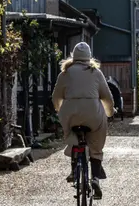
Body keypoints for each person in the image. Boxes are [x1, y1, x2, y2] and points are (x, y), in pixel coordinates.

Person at [52, 42, 115, 199]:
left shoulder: (65, 73)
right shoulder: (96, 73)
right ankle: (95, 178)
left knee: (72, 135)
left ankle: (74, 170)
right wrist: (109, 112)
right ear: (89, 57)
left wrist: (59, 110)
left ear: (74, 56)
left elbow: (56, 97)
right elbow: (107, 97)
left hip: (70, 113)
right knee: (96, 143)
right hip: (92, 113)